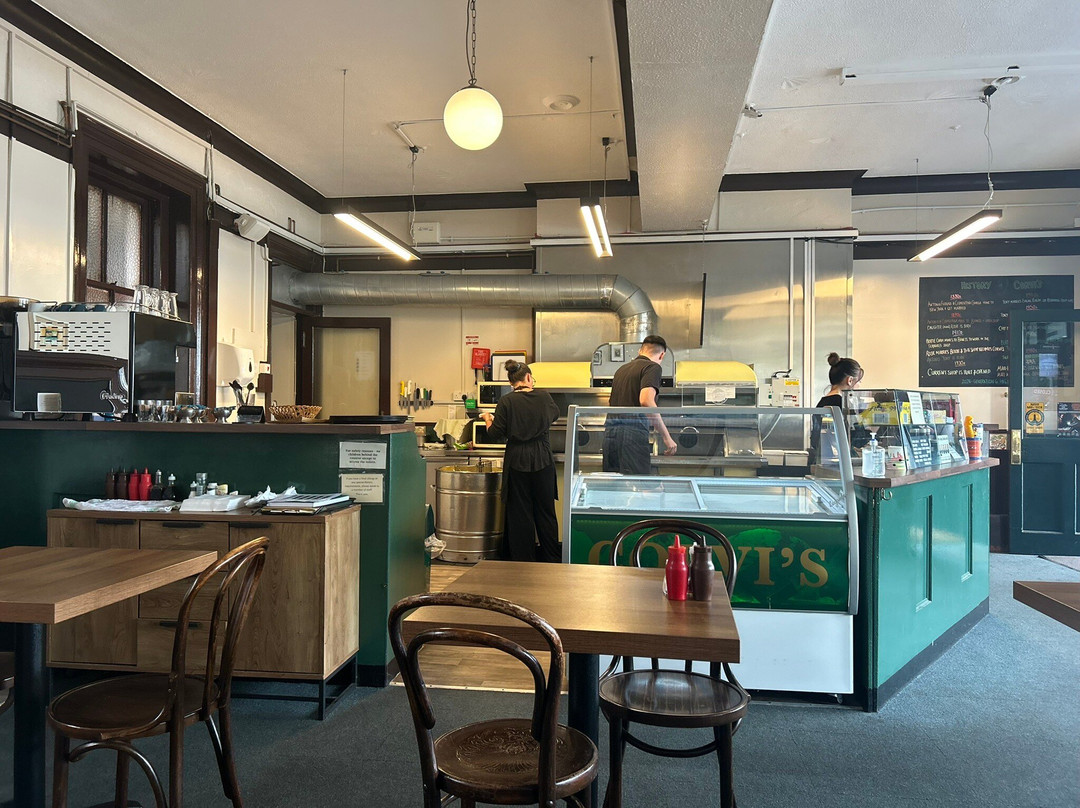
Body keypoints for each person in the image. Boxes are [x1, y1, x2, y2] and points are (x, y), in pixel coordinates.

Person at [480, 360, 561, 563]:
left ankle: (523, 562)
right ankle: (552, 559)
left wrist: (488, 419)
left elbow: (495, 434)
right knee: (546, 512)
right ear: (528, 377)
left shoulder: (506, 401)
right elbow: (555, 415)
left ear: (511, 383)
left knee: (520, 514)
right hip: (542, 458)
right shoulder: (544, 397)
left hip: (517, 459)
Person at [602, 334, 677, 475]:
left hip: (610, 435)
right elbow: (646, 401)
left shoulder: (621, 370)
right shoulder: (652, 367)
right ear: (662, 355)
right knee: (637, 483)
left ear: (640, 351)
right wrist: (666, 437)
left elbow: (611, 402)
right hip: (633, 434)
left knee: (613, 483)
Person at [811, 352, 864, 464]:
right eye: (859, 381)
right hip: (838, 463)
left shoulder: (822, 402)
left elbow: (815, 439)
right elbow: (853, 439)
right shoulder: (841, 404)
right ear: (850, 380)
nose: (860, 385)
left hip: (824, 461)